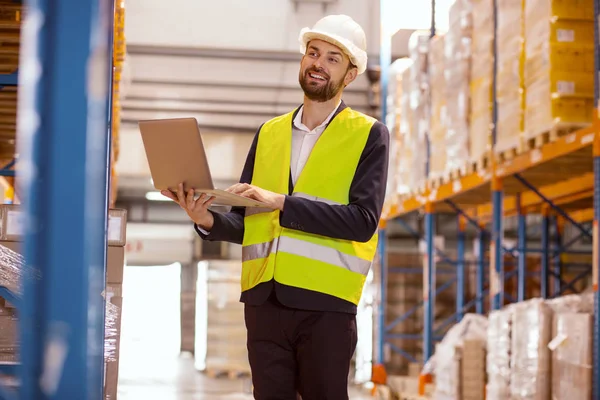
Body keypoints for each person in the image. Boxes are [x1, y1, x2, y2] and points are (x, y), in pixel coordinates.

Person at [162, 14, 389, 400]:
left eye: (333, 58)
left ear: (350, 75)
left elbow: (362, 222)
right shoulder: (269, 133)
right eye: (313, 53)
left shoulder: (369, 134)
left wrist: (282, 202)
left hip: (327, 306)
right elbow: (246, 223)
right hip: (264, 301)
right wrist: (206, 220)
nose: (318, 63)